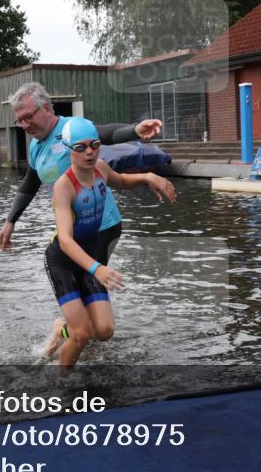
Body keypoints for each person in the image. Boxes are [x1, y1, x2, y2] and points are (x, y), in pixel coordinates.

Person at [0, 82, 171, 354]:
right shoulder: (35, 148)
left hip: (102, 229)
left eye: (29, 116)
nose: (25, 125)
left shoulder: (72, 129)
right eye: (20, 121)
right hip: (71, 233)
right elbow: (30, 184)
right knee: (83, 308)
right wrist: (10, 220)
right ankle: (73, 333)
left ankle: (68, 331)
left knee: (94, 308)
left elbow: (106, 133)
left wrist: (135, 130)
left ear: (46, 107)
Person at [44, 118, 176, 369]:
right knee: (81, 334)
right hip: (63, 260)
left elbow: (122, 181)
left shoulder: (101, 169)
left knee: (104, 331)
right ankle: (62, 386)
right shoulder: (64, 187)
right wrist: (98, 268)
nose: (90, 152)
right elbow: (65, 240)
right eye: (81, 147)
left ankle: (62, 329)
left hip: (89, 257)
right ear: (69, 150)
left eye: (94, 145)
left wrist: (149, 177)